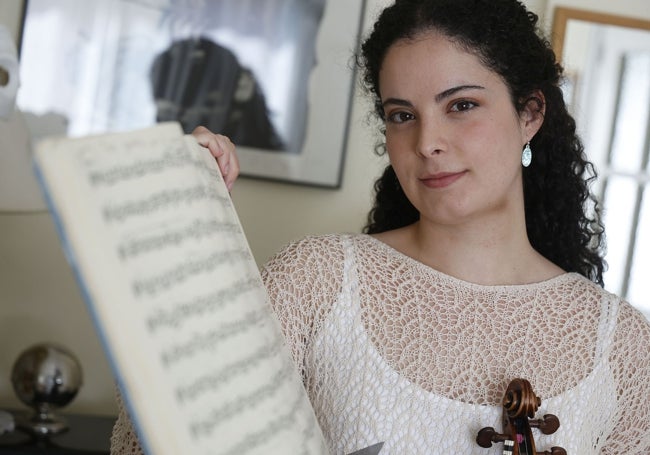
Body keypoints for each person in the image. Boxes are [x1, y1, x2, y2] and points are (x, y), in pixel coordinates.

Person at [110, 0, 650, 453]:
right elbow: (150, 437)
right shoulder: (317, 280)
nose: (427, 143)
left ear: (530, 114)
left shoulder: (622, 344)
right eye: (402, 115)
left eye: (461, 105)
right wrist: (190, 219)